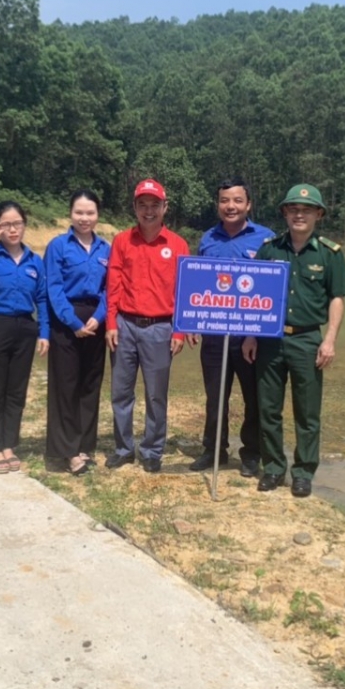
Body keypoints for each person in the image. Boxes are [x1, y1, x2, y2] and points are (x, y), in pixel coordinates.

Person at [242, 184, 345, 498]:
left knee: (307, 413)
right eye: (293, 209)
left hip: (307, 341)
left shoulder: (330, 253)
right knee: (268, 409)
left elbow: (337, 298)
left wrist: (329, 340)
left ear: (318, 214)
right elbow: (255, 296)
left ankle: (303, 472)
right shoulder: (269, 249)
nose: (299, 214)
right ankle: (274, 468)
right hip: (269, 340)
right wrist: (251, 334)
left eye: (306, 209)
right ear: (285, 213)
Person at [190, 177, 275, 478]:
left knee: (254, 398)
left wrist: (255, 333)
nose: (231, 206)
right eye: (225, 200)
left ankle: (251, 454)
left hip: (251, 338)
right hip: (214, 336)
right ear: (218, 204)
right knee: (215, 397)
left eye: (237, 200)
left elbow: (271, 291)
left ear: (248, 204)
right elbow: (198, 284)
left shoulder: (266, 239)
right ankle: (213, 450)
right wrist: (192, 321)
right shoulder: (207, 239)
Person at [105, 178, 190, 473]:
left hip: (160, 328)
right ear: (135, 208)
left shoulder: (178, 244)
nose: (149, 211)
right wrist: (111, 323)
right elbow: (113, 284)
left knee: (156, 394)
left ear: (165, 207)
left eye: (155, 205)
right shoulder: (122, 241)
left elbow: (184, 292)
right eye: (143, 205)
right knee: (120, 391)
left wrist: (179, 329)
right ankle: (123, 448)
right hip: (125, 325)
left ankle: (152, 450)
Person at [0, 201, 49, 473]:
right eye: (6, 224)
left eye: (17, 223)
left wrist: (44, 333)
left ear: (25, 225)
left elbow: (41, 298)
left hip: (25, 328)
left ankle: (8, 445)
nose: (13, 229)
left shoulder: (34, 261)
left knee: (16, 391)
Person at [43, 189, 110, 475]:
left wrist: (99, 316)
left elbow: (111, 287)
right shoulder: (58, 246)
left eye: (90, 213)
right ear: (70, 213)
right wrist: (73, 322)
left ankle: (85, 445)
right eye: (79, 212)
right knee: (65, 386)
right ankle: (67, 451)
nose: (85, 218)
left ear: (97, 215)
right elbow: (53, 288)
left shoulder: (106, 248)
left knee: (90, 385)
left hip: (96, 320)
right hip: (67, 321)